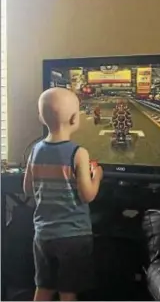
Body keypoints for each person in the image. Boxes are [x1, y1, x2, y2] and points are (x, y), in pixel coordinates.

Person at [23, 87, 103, 301]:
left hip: (43, 235)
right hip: (73, 237)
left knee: (44, 287)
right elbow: (87, 195)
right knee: (68, 291)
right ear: (75, 118)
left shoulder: (35, 150)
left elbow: (28, 189)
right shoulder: (79, 153)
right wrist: (97, 177)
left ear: (41, 117)